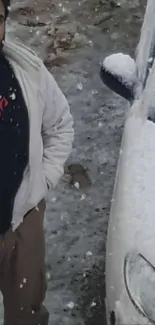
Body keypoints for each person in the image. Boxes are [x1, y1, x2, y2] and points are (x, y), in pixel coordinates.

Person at [0, 0, 74, 324]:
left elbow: (60, 125)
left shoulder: (27, 71)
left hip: (22, 222)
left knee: (27, 314)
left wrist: (42, 181)